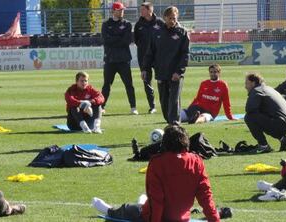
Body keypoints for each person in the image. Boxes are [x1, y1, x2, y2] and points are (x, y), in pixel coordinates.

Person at [92, 125, 221, 221]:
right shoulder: (196, 161)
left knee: (127, 209)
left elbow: (156, 200)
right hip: (181, 217)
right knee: (142, 204)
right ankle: (142, 201)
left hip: (157, 216)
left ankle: (107, 209)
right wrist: (215, 219)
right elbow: (205, 195)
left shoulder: (158, 162)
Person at [142, 6, 190, 124]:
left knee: (174, 100)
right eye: (170, 18)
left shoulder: (182, 32)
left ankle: (175, 125)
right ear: (164, 18)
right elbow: (150, 53)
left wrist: (179, 71)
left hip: (175, 73)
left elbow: (185, 54)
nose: (172, 20)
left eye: (174, 18)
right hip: (161, 72)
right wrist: (145, 69)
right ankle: (170, 122)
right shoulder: (157, 32)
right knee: (164, 101)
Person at [101, 2, 138, 115]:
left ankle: (133, 107)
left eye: (122, 10)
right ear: (113, 11)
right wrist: (118, 38)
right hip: (110, 60)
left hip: (123, 60)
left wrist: (114, 38)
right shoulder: (106, 24)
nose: (122, 12)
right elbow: (106, 40)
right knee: (107, 84)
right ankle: (101, 106)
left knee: (129, 84)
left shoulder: (127, 24)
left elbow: (126, 41)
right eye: (119, 10)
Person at [244, 72, 286, 152]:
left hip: (283, 123)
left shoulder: (257, 90)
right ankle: (282, 138)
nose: (245, 87)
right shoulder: (269, 88)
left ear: (253, 83)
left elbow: (249, 109)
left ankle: (263, 145)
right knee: (262, 116)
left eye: (247, 83)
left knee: (249, 117)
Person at [134, 2, 164, 114]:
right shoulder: (138, 24)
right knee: (146, 81)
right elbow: (136, 40)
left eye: (142, 10)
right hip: (143, 57)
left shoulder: (160, 22)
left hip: (158, 57)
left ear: (149, 10)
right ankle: (152, 106)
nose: (140, 12)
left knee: (162, 80)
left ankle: (164, 104)